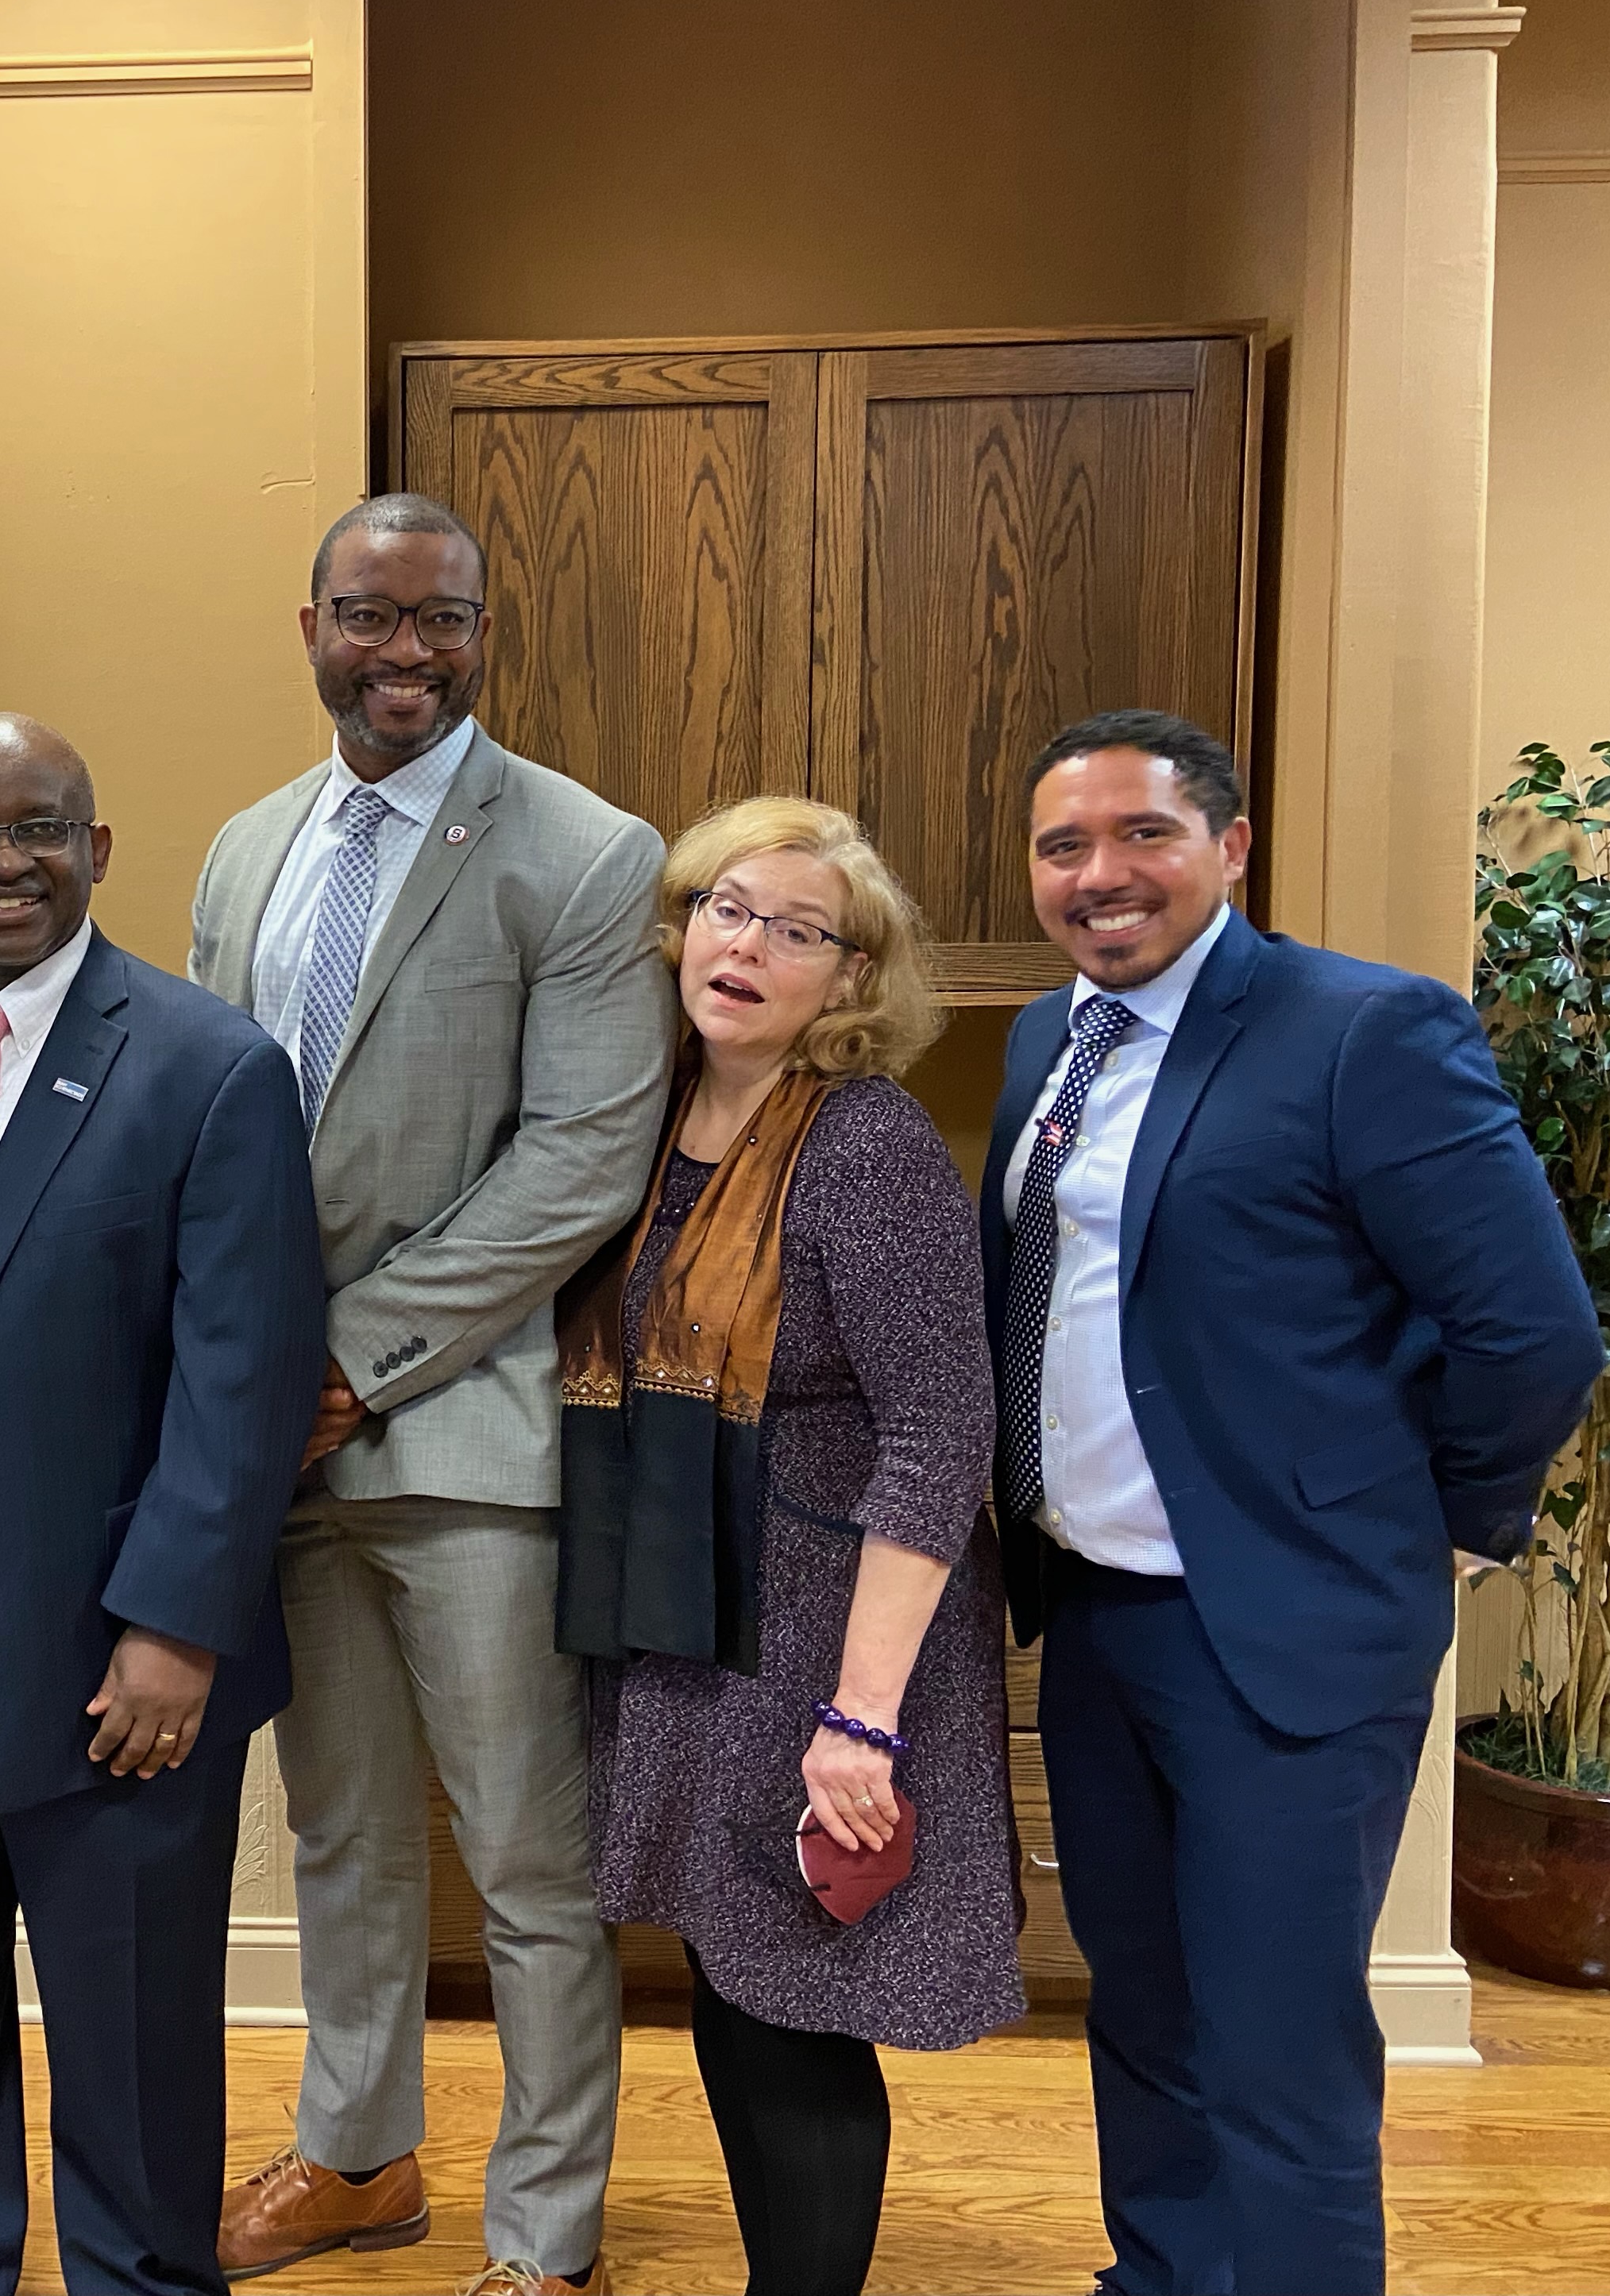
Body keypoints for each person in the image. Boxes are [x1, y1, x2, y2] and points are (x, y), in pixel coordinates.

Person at [986, 710, 1601, 2296]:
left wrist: (1439, 1521)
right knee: (1146, 2007)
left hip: (1286, 1629)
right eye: (1066, 845)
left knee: (1279, 2043)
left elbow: (1532, 1334)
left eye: (1144, 836)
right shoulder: (1045, 1046)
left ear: (1232, 849)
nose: (1101, 876)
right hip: (1102, 1617)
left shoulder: (1362, 1031)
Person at [191, 494, 674, 2296]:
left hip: (464, 1440)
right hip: (277, 1450)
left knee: (531, 1867)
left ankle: (544, 2243)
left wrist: (350, 1355)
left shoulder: (583, 851)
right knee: (337, 1834)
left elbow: (579, 1162)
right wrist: (239, 1378)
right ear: (308, 623)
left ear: (486, 631)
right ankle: (359, 2154)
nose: (408, 654)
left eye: (444, 621)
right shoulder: (247, 851)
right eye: (373, 618)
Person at [0, 713, 324, 2296]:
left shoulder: (207, 1065)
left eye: (40, 828)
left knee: (137, 2067)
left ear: (98, 851)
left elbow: (246, 1376)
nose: (2, 859)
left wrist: (176, 1626)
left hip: (116, 1671)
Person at [566, 798, 1020, 2296]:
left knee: (800, 1999)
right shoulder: (649, 1117)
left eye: (798, 930)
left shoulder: (866, 1144)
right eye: (725, 907)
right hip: (695, 1623)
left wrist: (861, 1717)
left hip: (826, 1643)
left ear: (852, 980)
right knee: (734, 1973)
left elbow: (942, 1436)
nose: (748, 946)